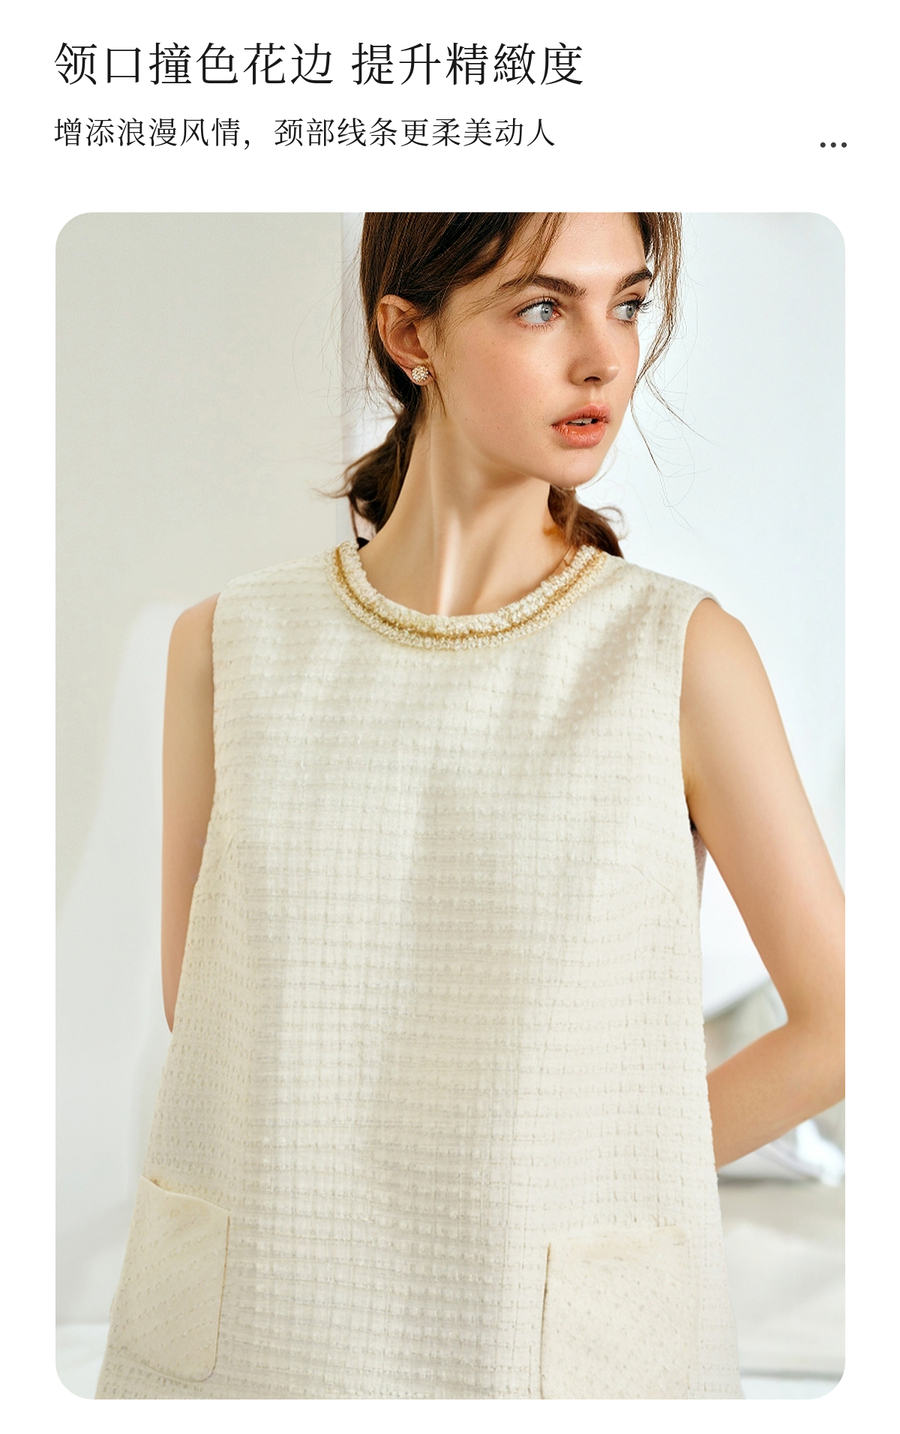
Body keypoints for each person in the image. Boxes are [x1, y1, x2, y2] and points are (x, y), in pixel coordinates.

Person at [95, 212, 844, 1400]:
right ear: (411, 335)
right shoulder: (229, 645)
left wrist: (593, 1172)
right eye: (543, 306)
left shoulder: (675, 655)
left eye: (628, 303)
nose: (604, 357)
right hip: (260, 1335)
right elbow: (211, 1008)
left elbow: (849, 1026)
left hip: (539, 1349)